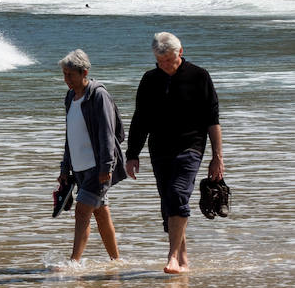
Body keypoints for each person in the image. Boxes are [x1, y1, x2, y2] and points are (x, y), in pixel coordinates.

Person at [125, 32, 225, 274]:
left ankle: (171, 257)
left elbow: (212, 119)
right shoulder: (150, 79)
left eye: (168, 60)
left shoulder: (199, 76)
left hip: (191, 146)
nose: (165, 65)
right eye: (160, 62)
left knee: (178, 193)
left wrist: (217, 157)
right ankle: (183, 257)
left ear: (181, 52)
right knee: (168, 201)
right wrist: (132, 154)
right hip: (159, 149)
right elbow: (140, 119)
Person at [58, 49, 126, 263]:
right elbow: (70, 134)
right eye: (64, 74)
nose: (66, 79)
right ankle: (116, 261)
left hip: (97, 168)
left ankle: (73, 263)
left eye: (70, 74)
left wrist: (107, 166)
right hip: (80, 168)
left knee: (82, 212)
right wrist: (64, 168)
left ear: (84, 72)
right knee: (101, 214)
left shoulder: (98, 95)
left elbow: (107, 132)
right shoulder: (70, 97)